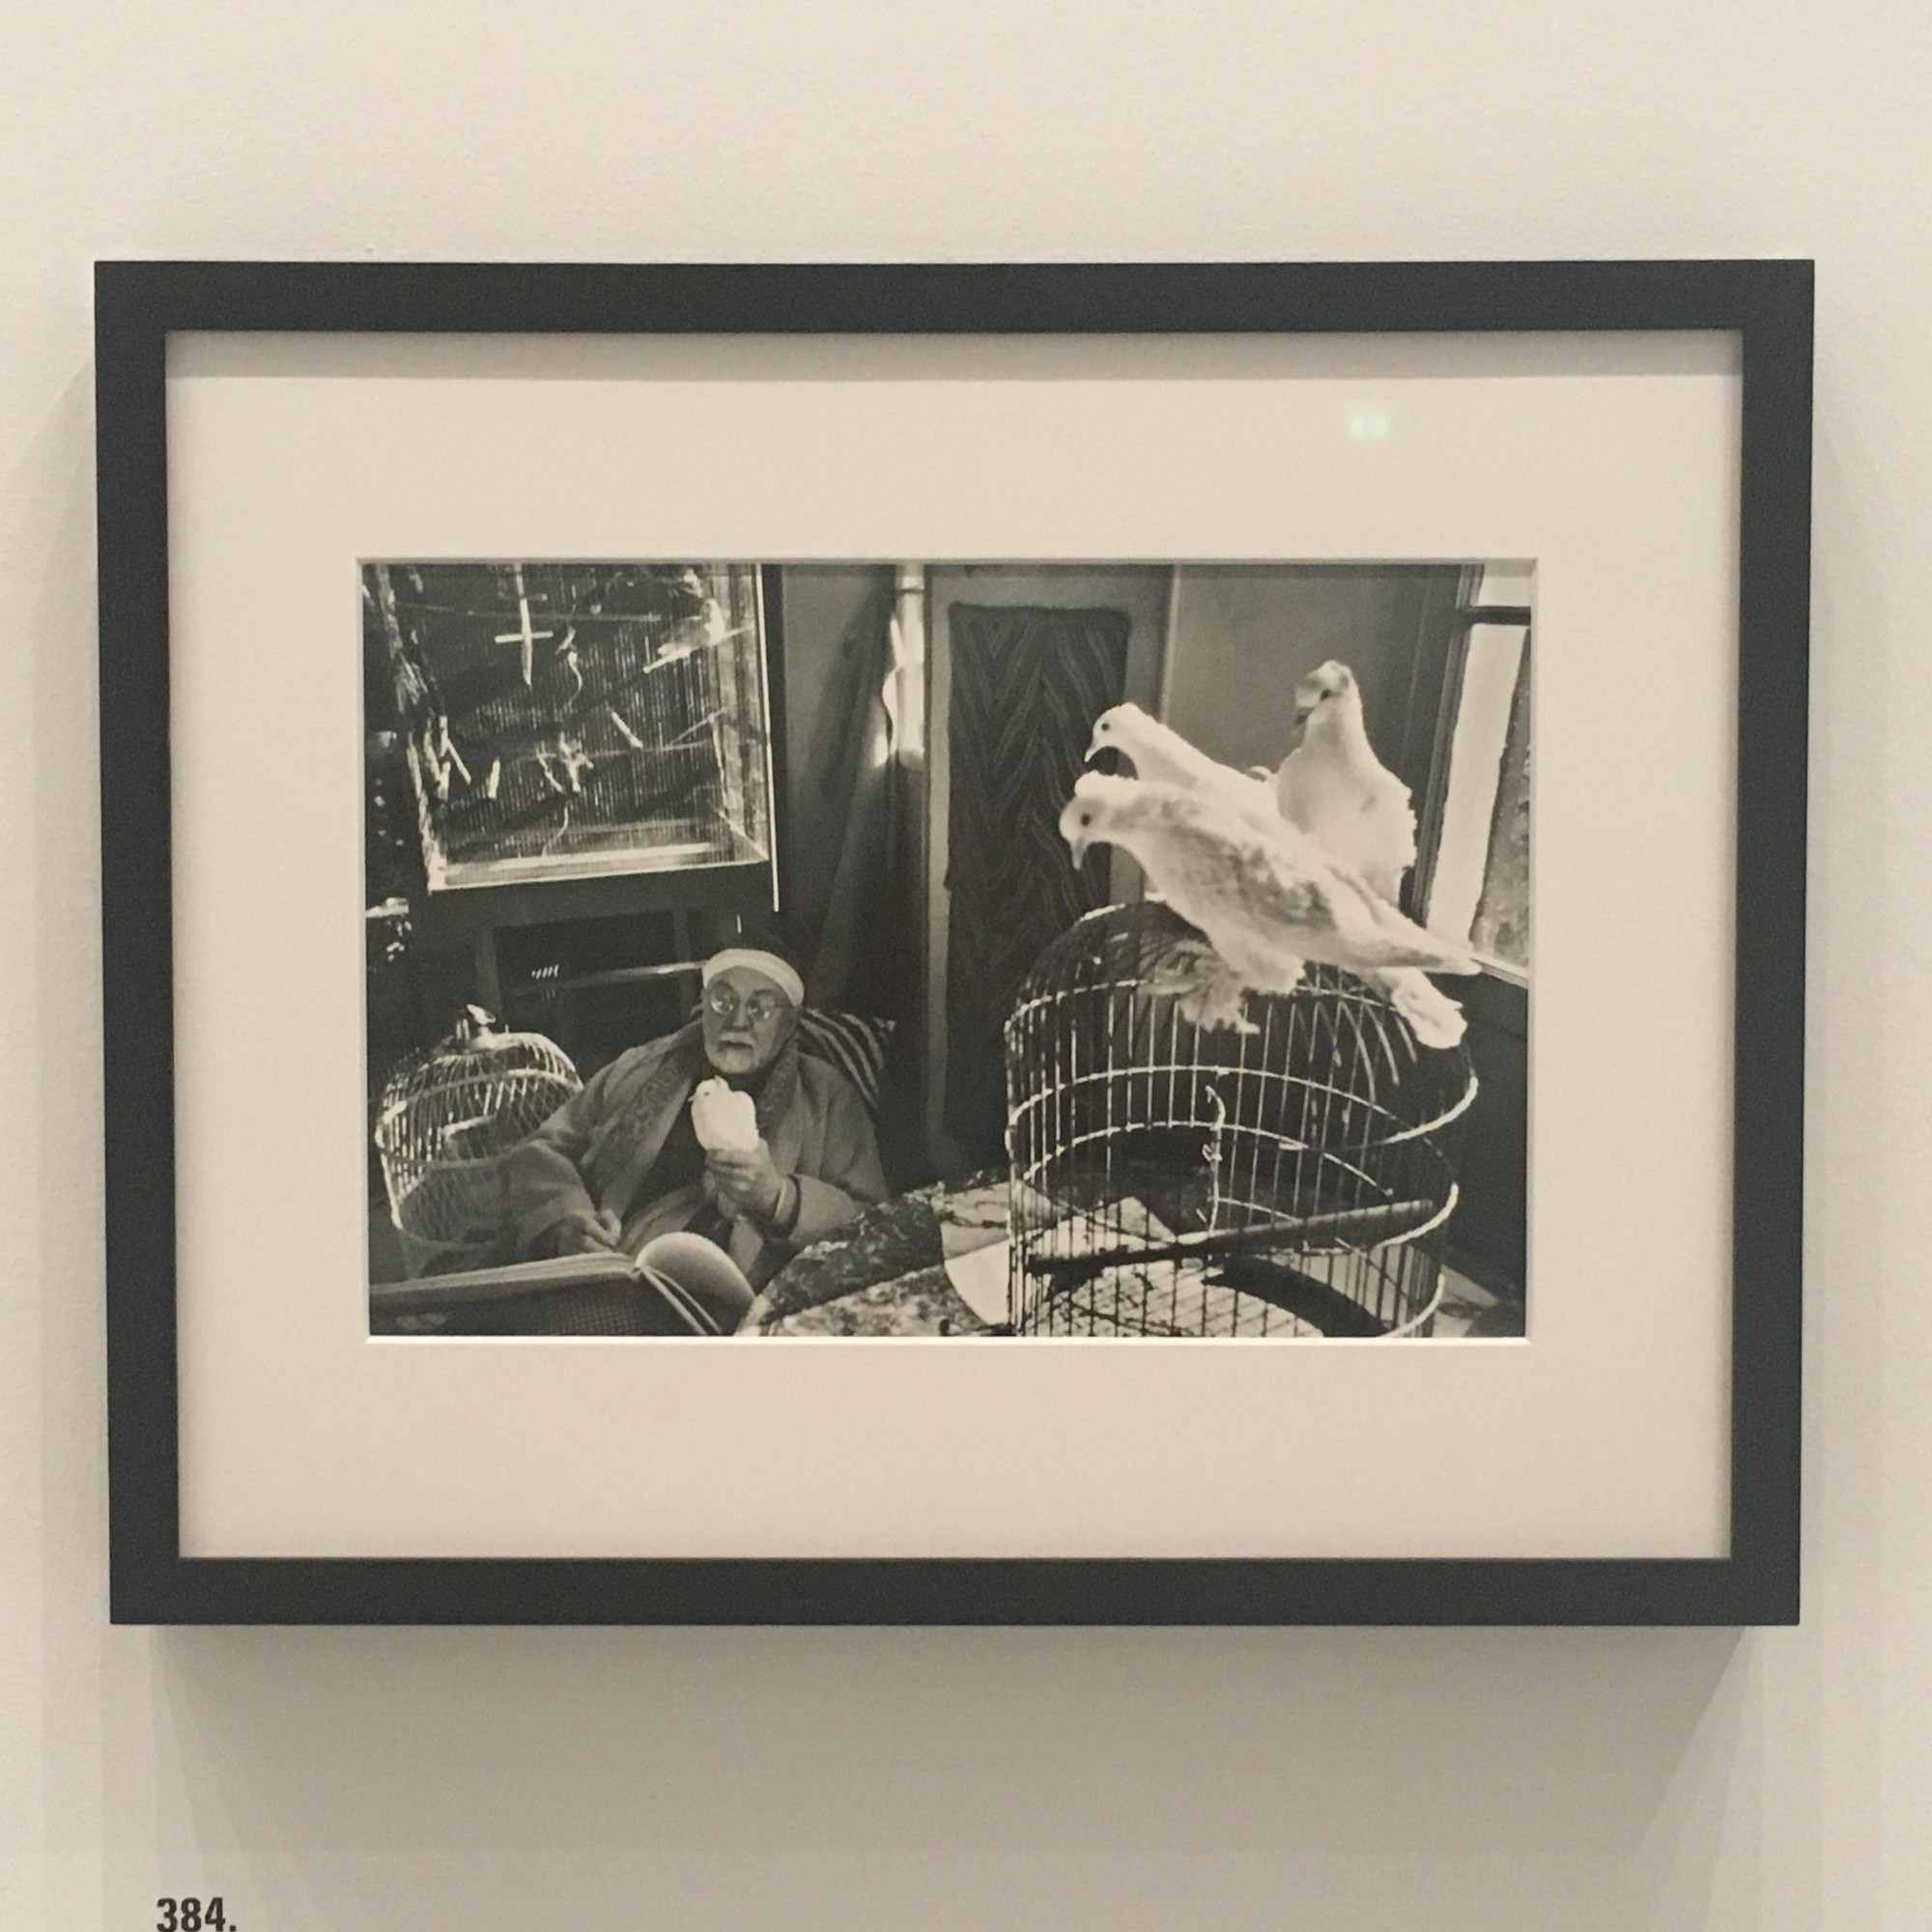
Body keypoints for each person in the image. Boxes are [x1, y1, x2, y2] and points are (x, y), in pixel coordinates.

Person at [503, 949, 887, 1321]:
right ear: (704, 1007)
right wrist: (565, 1220)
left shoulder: (826, 1095)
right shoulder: (641, 1066)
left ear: (788, 1025)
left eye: (760, 1007)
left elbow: (874, 1223)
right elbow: (543, 1149)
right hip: (604, 1270)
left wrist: (777, 1196)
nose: (737, 1021)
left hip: (727, 1301)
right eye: (723, 1001)